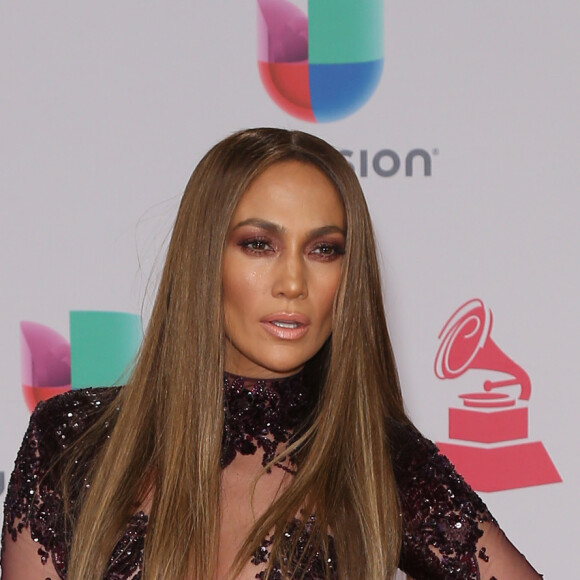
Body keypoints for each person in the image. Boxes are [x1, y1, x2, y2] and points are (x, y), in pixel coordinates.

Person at [1, 128, 541, 579]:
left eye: (324, 250)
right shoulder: (73, 440)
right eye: (259, 244)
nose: (293, 281)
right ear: (204, 258)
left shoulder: (380, 458)